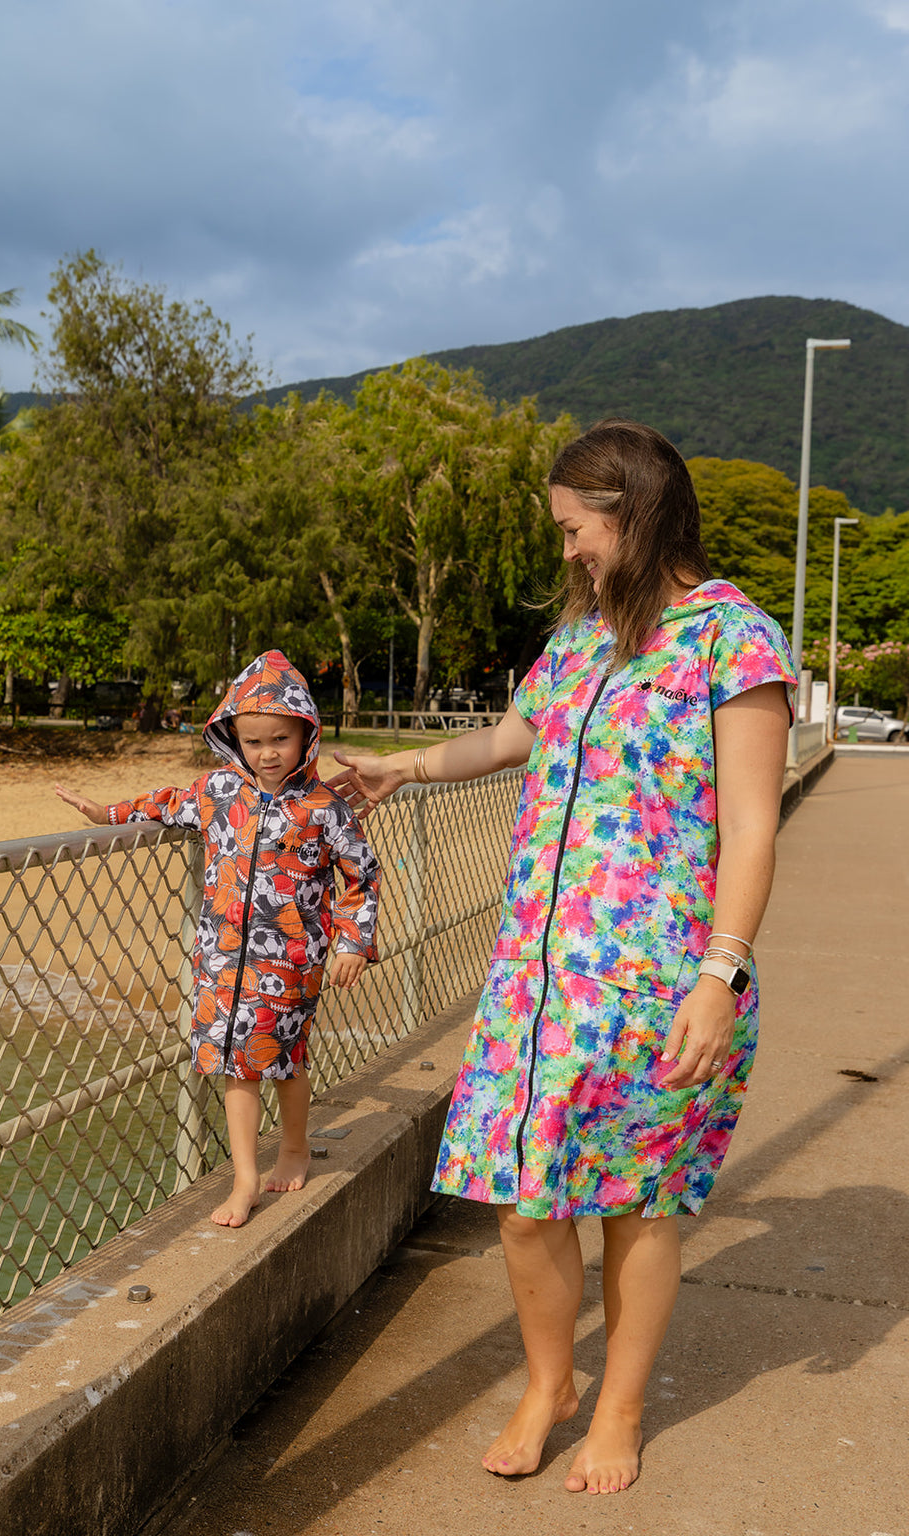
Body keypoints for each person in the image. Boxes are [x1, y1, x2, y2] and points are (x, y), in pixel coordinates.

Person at [328, 420, 795, 1496]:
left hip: (658, 982)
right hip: (532, 983)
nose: (569, 549)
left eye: (577, 528)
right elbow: (513, 738)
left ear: (636, 514)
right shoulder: (581, 639)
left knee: (638, 1201)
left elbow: (752, 826)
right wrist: (404, 769)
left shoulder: (733, 638)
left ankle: (619, 1407)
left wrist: (721, 975)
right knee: (522, 1199)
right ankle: (551, 1383)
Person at [56, 649, 380, 1229]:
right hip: (221, 959)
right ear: (233, 738)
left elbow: (361, 874)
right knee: (236, 1065)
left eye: (280, 739)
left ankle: (295, 1147)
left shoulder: (324, 807)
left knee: (284, 1057)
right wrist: (107, 812)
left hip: (290, 962)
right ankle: (245, 1177)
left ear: (306, 734)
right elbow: (164, 804)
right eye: (253, 741)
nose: (267, 753)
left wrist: (354, 943)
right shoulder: (217, 791)